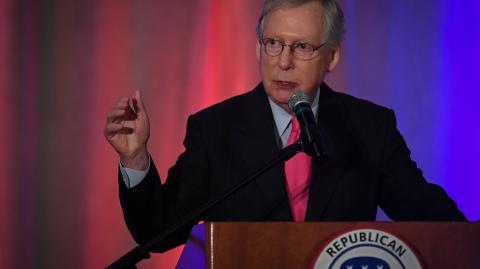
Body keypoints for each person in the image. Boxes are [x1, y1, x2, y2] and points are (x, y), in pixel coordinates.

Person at [104, 0, 466, 252]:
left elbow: (433, 219)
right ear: (259, 48)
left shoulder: (371, 128)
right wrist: (135, 159)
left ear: (332, 56)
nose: (284, 62)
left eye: (303, 47)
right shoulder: (215, 130)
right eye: (273, 43)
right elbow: (158, 232)